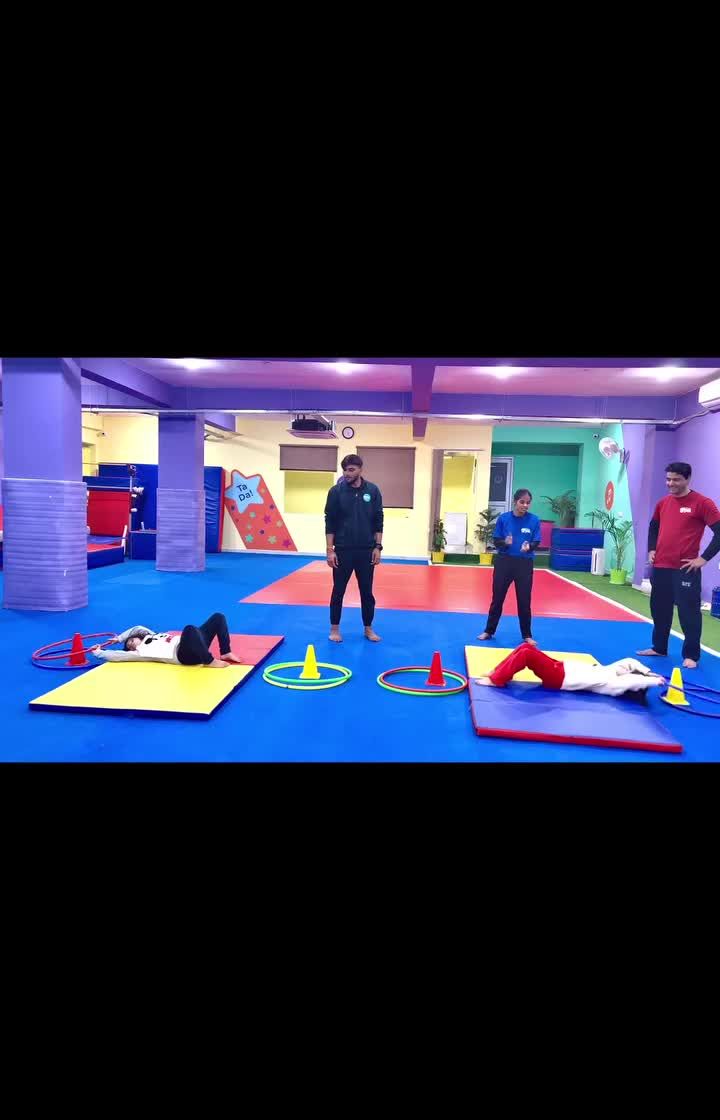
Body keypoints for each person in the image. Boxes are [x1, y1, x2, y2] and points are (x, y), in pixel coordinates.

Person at [636, 462, 720, 670]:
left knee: (688, 613)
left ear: (688, 479)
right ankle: (659, 647)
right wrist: (651, 549)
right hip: (661, 566)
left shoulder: (702, 503)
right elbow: (654, 527)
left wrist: (703, 559)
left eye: (676, 479)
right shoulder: (663, 503)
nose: (670, 483)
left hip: (686, 569)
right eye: (668, 479)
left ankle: (691, 655)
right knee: (659, 610)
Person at [324, 454, 384, 643]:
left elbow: (378, 520)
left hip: (366, 551)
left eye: (351, 470)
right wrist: (330, 550)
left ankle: (368, 629)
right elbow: (329, 521)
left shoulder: (372, 491)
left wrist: (378, 547)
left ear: (360, 470)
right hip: (343, 550)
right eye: (345, 470)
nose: (347, 473)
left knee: (367, 592)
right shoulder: (336, 492)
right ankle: (334, 629)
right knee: (338, 591)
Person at [475, 642, 665, 701]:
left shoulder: (613, 686)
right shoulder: (613, 671)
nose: (629, 673)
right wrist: (649, 672)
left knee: (526, 654)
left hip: (559, 678)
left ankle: (497, 680)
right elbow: (629, 661)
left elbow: (632, 681)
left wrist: (653, 682)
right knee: (526, 647)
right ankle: (496, 671)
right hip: (561, 667)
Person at [478, 489, 541, 645]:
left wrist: (529, 547)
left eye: (528, 503)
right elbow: (496, 540)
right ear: (515, 502)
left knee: (524, 601)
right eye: (522, 502)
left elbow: (536, 541)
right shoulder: (504, 518)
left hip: (524, 564)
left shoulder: (534, 520)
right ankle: (488, 631)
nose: (525, 505)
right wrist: (505, 542)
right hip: (504, 563)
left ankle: (527, 635)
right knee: (497, 599)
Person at [91, 612, 242, 667]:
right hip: (184, 655)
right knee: (190, 629)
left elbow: (137, 628)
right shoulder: (140, 652)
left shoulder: (152, 635)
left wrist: (119, 638)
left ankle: (225, 652)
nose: (131, 645)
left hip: (195, 644)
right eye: (129, 647)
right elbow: (118, 656)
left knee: (218, 617)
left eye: (131, 641)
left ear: (137, 637)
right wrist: (99, 652)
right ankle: (209, 661)